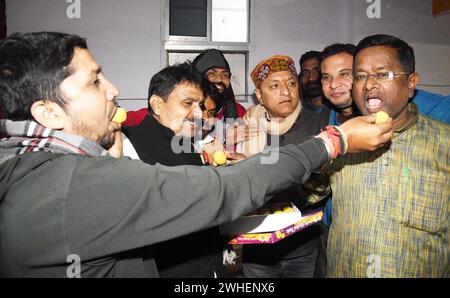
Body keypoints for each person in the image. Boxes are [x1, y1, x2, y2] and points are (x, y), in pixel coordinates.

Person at [0, 31, 392, 277]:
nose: (113, 88)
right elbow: (224, 189)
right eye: (95, 81)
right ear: (47, 112)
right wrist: (333, 141)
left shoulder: (28, 165)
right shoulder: (79, 184)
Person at [325, 34, 449, 277]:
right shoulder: (341, 139)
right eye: (360, 76)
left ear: (412, 82)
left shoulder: (444, 144)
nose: (369, 84)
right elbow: (308, 194)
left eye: (382, 74)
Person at [122, 63, 227, 278]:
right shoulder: (127, 146)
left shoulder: (188, 140)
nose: (198, 114)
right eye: (188, 103)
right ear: (157, 104)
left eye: (199, 105)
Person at [238, 55, 330, 278]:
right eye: (275, 86)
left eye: (291, 83)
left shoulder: (319, 123)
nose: (286, 92)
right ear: (259, 95)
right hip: (258, 248)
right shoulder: (249, 125)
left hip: (303, 247)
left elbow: (327, 182)